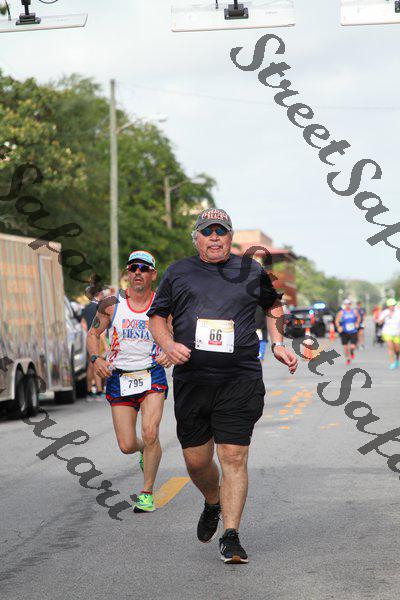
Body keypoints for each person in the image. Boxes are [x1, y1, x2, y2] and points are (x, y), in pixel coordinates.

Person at [148, 208, 298, 564]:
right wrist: (169, 344)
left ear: (230, 237)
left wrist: (278, 343)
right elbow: (156, 317)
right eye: (207, 231)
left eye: (221, 231)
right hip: (193, 380)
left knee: (233, 455)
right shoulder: (178, 272)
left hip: (239, 378)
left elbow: (274, 306)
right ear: (196, 238)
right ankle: (212, 500)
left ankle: (231, 535)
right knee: (197, 461)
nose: (214, 237)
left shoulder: (250, 271)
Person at [86, 250, 172, 513]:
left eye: (143, 269)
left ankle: (146, 492)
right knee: (126, 445)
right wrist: (96, 359)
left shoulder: (163, 304)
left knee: (150, 432)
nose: (138, 272)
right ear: (127, 272)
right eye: (133, 268)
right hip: (119, 377)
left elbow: (176, 333)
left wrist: (170, 351)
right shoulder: (111, 304)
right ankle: (145, 451)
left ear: (152, 274)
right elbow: (93, 334)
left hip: (151, 373)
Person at [82, 289, 105, 397]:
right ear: (99, 294)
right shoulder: (100, 307)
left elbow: (83, 323)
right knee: (97, 362)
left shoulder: (86, 308)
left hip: (88, 338)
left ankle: (89, 390)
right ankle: (99, 390)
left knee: (90, 365)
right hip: (97, 338)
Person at [335, 299, 360, 365]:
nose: (347, 305)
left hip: (353, 331)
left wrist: (357, 323)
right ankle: (347, 358)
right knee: (345, 347)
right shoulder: (341, 312)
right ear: (344, 305)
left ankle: (351, 352)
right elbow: (337, 320)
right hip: (344, 331)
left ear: (350, 304)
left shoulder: (354, 311)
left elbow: (358, 317)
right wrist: (339, 327)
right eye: (346, 304)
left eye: (348, 304)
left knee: (352, 346)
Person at [377, 299, 400, 369]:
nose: (392, 307)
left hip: (397, 332)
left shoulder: (398, 312)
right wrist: (386, 316)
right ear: (388, 306)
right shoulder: (385, 312)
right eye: (390, 305)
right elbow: (379, 322)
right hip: (387, 332)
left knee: (397, 348)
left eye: (393, 305)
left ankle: (397, 359)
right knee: (390, 346)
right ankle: (392, 362)